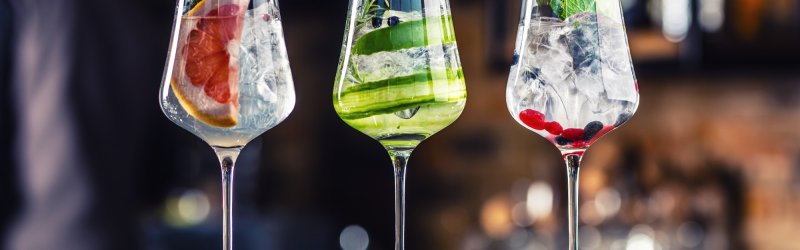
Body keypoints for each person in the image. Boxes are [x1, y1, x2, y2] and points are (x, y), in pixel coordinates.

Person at [3, 1, 184, 249]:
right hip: (119, 234)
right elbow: (161, 172)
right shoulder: (145, 18)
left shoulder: (30, 9)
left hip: (36, 234)